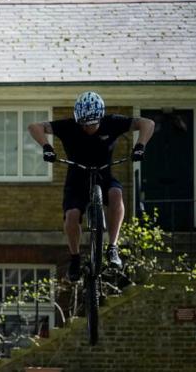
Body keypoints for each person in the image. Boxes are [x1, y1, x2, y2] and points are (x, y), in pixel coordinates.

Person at [28, 91, 155, 281]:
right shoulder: (69, 126)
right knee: (71, 216)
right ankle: (75, 258)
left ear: (100, 118)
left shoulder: (112, 122)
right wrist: (47, 147)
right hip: (76, 179)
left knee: (115, 193)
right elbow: (35, 126)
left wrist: (140, 146)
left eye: (93, 124)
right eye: (84, 124)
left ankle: (112, 248)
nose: (88, 128)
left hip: (104, 175)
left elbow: (148, 123)